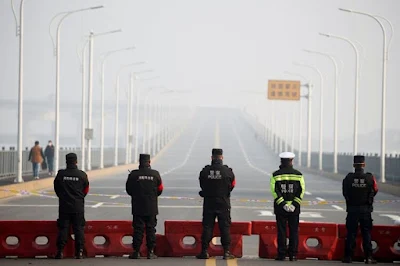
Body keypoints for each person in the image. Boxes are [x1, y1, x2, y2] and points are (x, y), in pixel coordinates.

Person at [197, 148, 236, 260]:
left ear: (211, 158)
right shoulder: (228, 171)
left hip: (209, 202)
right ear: (222, 157)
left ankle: (204, 251)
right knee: (225, 227)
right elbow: (232, 185)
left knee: (207, 226)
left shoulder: (205, 171)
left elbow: (202, 184)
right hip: (223, 202)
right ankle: (227, 252)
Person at [126, 154, 163, 259]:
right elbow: (160, 189)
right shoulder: (155, 174)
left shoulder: (133, 175)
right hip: (151, 206)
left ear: (139, 162)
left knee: (138, 229)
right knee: (151, 229)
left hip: (138, 206)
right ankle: (150, 252)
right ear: (149, 162)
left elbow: (129, 189)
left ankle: (136, 252)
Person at [342, 155, 378, 264]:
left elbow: (345, 192)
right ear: (364, 165)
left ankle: (348, 257)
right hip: (365, 210)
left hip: (352, 209)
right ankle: (368, 257)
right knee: (366, 233)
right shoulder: (370, 177)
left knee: (351, 233)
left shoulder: (348, 178)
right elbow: (375, 189)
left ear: (353, 165)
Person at [270, 151, 305, 261]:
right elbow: (301, 190)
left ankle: (281, 254)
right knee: (294, 231)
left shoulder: (275, 175)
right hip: (295, 209)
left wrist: (283, 204)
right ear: (292, 161)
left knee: (282, 231)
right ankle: (293, 255)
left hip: (281, 208)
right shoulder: (298, 175)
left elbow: (274, 191)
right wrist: (294, 204)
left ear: (281, 161)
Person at [54, 153, 89, 259]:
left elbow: (57, 188)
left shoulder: (61, 174)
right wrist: (79, 197)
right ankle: (79, 252)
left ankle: (60, 251)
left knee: (63, 228)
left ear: (66, 161)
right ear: (76, 162)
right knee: (79, 229)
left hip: (64, 206)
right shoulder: (82, 175)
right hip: (78, 206)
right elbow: (86, 190)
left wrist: (63, 197)